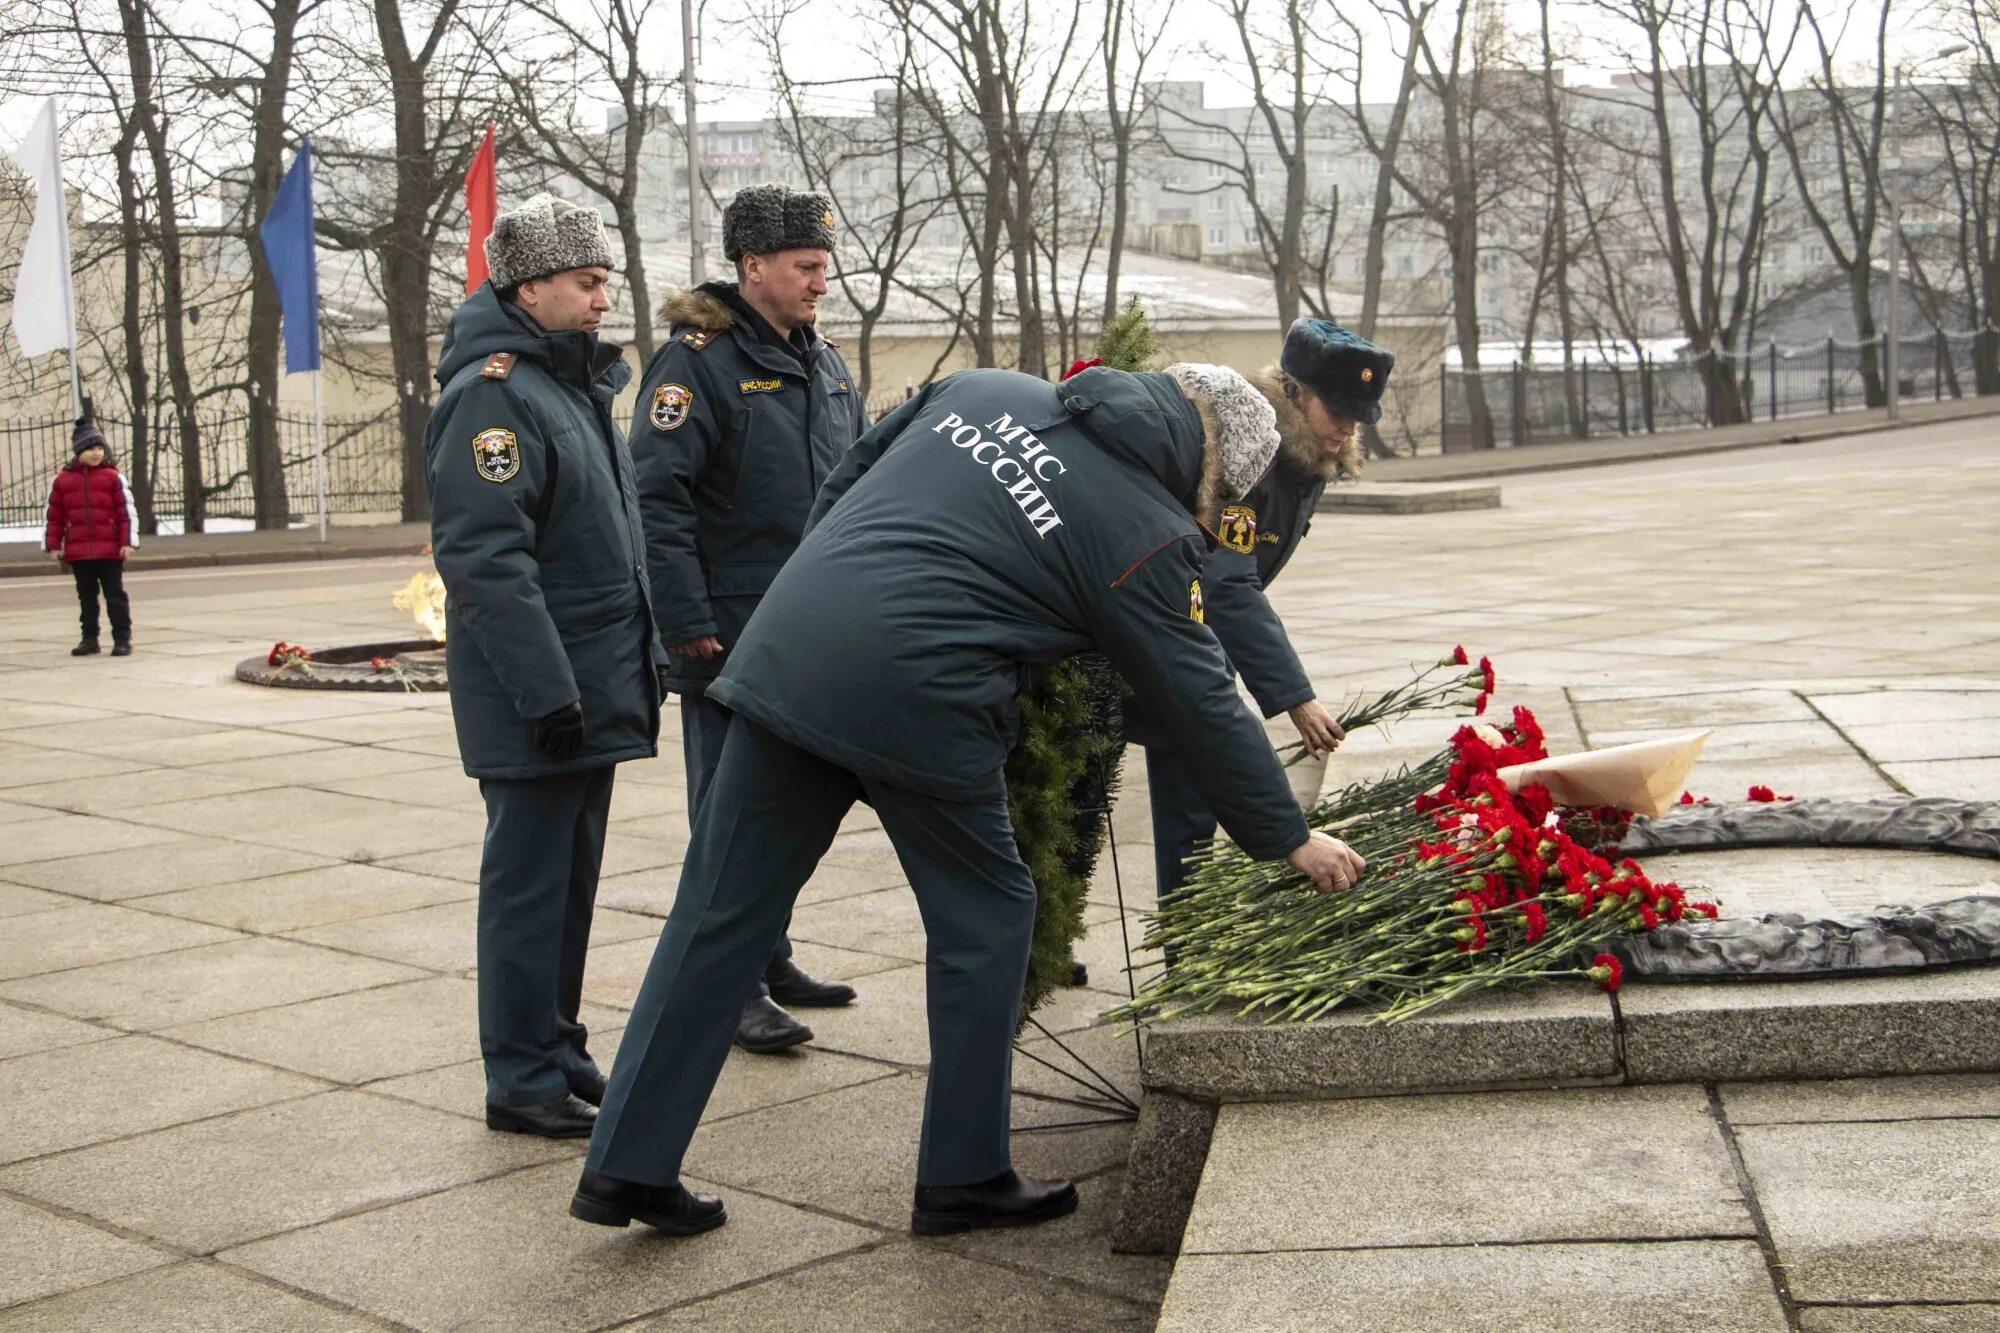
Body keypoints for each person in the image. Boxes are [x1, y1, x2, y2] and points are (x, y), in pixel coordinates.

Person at [571, 360, 1366, 1238]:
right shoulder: (1144, 529)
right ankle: (964, 1173)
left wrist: (832, 595)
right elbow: (1200, 697)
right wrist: (1290, 836)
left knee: (718, 915)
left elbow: (845, 477)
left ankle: (626, 1164)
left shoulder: (985, 391)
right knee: (988, 916)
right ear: (1211, 468)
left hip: (789, 651)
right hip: (921, 699)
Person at [424, 193, 665, 1140]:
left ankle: (557, 1048)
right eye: (586, 281)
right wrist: (549, 693)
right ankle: (519, 1074)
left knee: (568, 887)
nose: (602, 297)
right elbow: (488, 561)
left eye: (604, 279)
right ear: (530, 288)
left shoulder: (568, 387)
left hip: (588, 686)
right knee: (528, 892)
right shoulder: (494, 392)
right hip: (543, 697)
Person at [630, 183, 868, 1055]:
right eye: (806, 267)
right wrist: (684, 617)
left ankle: (769, 956)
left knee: (783, 807)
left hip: (804, 627)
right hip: (724, 632)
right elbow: (657, 500)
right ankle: (724, 989)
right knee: (728, 816)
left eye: (823, 265)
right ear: (753, 265)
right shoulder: (697, 363)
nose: (820, 282)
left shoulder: (825, 361)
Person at [1136, 318, 1396, 938]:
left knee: (1194, 793)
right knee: (1126, 795)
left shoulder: (1309, 457)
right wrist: (1295, 698)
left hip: (1191, 630)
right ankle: (1170, 941)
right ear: (1294, 392)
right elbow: (1228, 581)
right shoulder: (1249, 451)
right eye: (1338, 410)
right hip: (1151, 628)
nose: (1349, 426)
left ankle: (1188, 943)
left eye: (1359, 415)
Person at [45, 415, 138, 657]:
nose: (96, 453)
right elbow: (54, 516)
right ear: (78, 452)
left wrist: (128, 542)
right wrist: (53, 545)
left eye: (99, 448)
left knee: (115, 595)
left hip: (110, 551)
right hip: (79, 552)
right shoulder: (63, 481)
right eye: (90, 449)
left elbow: (126, 512)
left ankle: (122, 639)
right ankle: (89, 638)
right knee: (87, 598)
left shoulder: (112, 478)